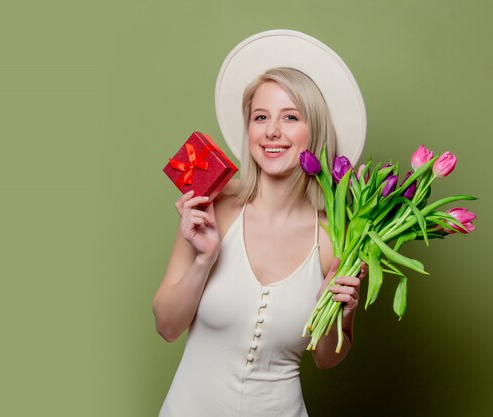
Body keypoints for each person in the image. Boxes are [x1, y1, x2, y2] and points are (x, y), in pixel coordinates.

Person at [153, 30, 368, 417]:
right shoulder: (210, 203)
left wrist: (342, 310)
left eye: (290, 117)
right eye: (261, 117)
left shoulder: (336, 237)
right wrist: (205, 260)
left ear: (313, 131)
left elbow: (325, 358)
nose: (272, 131)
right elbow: (167, 327)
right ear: (248, 129)